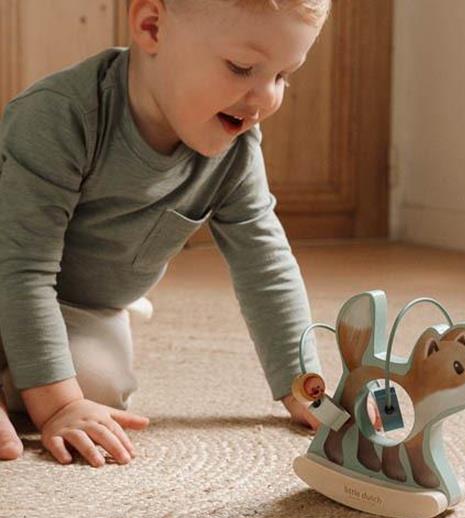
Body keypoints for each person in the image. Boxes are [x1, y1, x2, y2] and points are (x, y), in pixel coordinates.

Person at [0, 0, 332, 467]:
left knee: (99, 387)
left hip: (80, 304)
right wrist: (56, 406)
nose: (265, 99)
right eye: (241, 67)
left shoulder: (235, 151)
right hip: (11, 266)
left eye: (282, 76)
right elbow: (22, 267)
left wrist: (305, 388)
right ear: (152, 27)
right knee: (56, 392)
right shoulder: (61, 116)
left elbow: (265, 264)